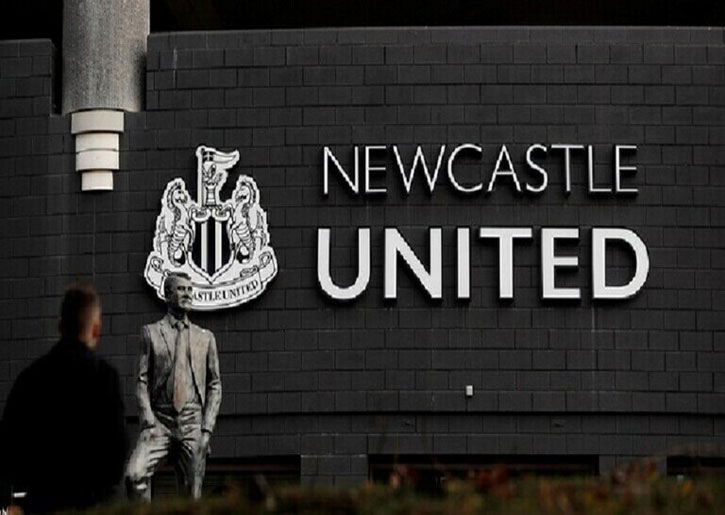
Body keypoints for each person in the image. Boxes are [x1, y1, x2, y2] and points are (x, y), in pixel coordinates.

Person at [0, 284, 126, 512]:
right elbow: (117, 452)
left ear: (60, 326)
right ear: (95, 330)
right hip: (93, 505)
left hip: (43, 503)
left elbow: (9, 447)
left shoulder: (31, 378)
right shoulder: (105, 377)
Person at [126, 272, 222, 500]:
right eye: (181, 289)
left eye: (189, 289)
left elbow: (215, 385)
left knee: (192, 498)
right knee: (134, 476)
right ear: (168, 295)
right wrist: (148, 420)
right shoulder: (151, 333)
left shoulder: (205, 337)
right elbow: (141, 381)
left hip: (192, 424)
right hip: (160, 422)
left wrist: (206, 430)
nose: (187, 294)